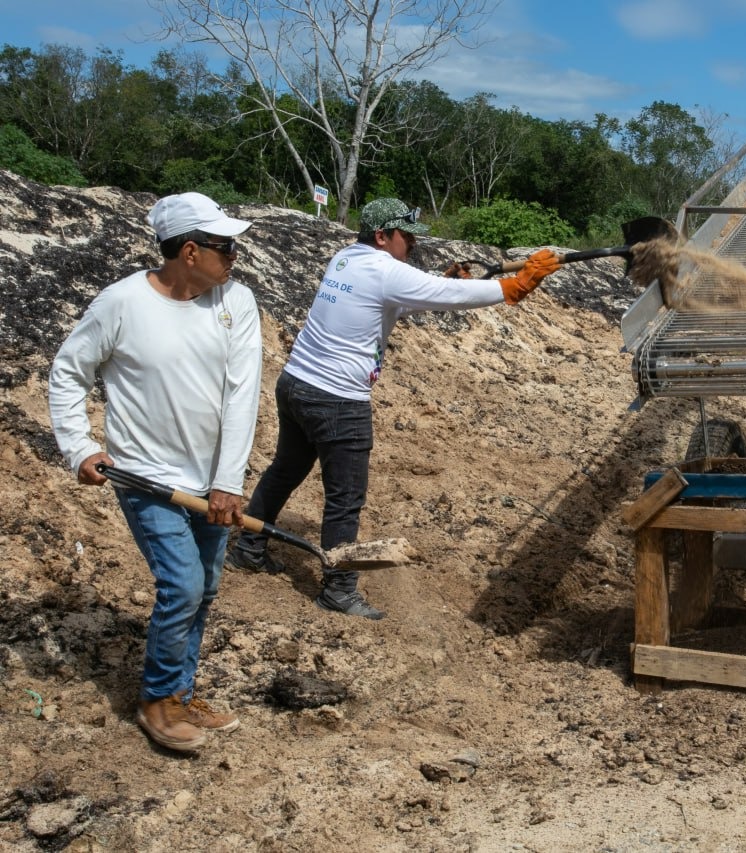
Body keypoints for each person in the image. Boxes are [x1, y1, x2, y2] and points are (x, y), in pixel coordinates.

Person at [226, 197, 560, 619]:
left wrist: (442, 280)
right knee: (345, 499)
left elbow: (403, 298)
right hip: (337, 400)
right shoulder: (385, 270)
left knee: (285, 470)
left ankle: (249, 549)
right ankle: (338, 589)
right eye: (406, 236)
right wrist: (514, 286)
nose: (413, 243)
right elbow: (444, 294)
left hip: (297, 385)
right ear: (382, 236)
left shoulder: (347, 259)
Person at [48, 192, 261, 752]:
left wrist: (228, 481)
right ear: (189, 251)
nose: (234, 255)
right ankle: (156, 699)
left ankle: (181, 693)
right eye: (225, 246)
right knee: (183, 584)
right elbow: (69, 372)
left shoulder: (236, 301)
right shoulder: (120, 304)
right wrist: (79, 446)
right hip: (143, 476)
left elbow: (243, 395)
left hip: (212, 477)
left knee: (207, 586)